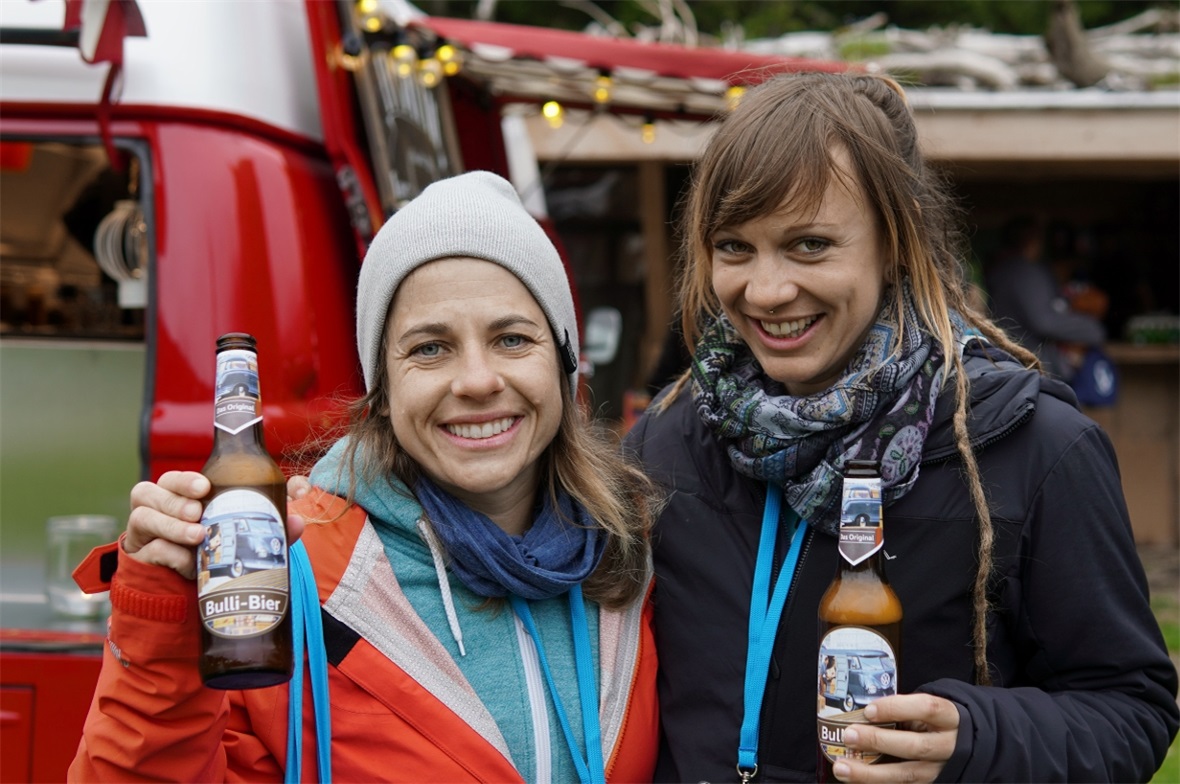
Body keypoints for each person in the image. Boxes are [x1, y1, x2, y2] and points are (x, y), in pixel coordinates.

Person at [624, 71, 1178, 782]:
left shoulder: (1031, 446)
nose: (765, 290)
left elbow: (1132, 711)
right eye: (734, 246)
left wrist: (976, 740)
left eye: (810, 245)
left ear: (893, 241)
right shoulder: (667, 442)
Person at [69, 171, 661, 782]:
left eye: (512, 339)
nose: (477, 381)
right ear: (382, 390)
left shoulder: (633, 552)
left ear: (563, 364)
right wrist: (162, 621)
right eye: (429, 348)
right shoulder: (286, 574)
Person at [985, 214, 1107, 381]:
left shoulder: (1001, 270)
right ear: (1032, 241)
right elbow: (1044, 322)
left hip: (1008, 363)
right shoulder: (1024, 272)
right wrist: (1093, 329)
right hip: (1028, 367)